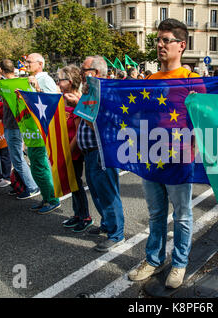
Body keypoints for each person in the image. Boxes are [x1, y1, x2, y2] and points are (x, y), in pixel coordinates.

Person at [127, 18, 203, 290]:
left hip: (180, 160)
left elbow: (203, 120)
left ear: (181, 45)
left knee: (182, 215)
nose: (160, 45)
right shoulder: (149, 79)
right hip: (151, 158)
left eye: (166, 40)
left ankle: (180, 263)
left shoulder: (194, 80)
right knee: (156, 213)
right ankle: (154, 258)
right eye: (158, 40)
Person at [66, 55, 125, 252]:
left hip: (103, 150)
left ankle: (116, 234)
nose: (81, 74)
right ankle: (108, 225)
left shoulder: (105, 93)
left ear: (96, 73)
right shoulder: (90, 91)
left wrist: (78, 108)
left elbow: (102, 127)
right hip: (90, 152)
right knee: (98, 192)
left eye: (84, 70)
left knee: (108, 193)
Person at [0, 59, 40, 199]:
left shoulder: (0, 84)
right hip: (22, 122)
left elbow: (0, 94)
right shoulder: (24, 81)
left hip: (12, 124)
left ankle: (32, 187)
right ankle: (24, 183)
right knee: (20, 156)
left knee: (17, 158)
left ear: (1, 70)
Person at [57, 65, 92, 233]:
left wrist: (67, 152)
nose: (58, 82)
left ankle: (85, 216)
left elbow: (78, 133)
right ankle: (77, 214)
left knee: (76, 184)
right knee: (71, 184)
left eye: (60, 80)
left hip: (74, 152)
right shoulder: (63, 98)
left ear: (69, 82)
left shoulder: (76, 100)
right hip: (66, 150)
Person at [25, 53, 61, 214]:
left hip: (42, 130)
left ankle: (52, 199)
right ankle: (46, 197)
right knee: (35, 165)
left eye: (29, 62)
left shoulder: (45, 79)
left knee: (40, 165)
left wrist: (37, 88)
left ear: (40, 64)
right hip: (32, 129)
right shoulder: (31, 78)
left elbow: (54, 101)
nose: (26, 65)